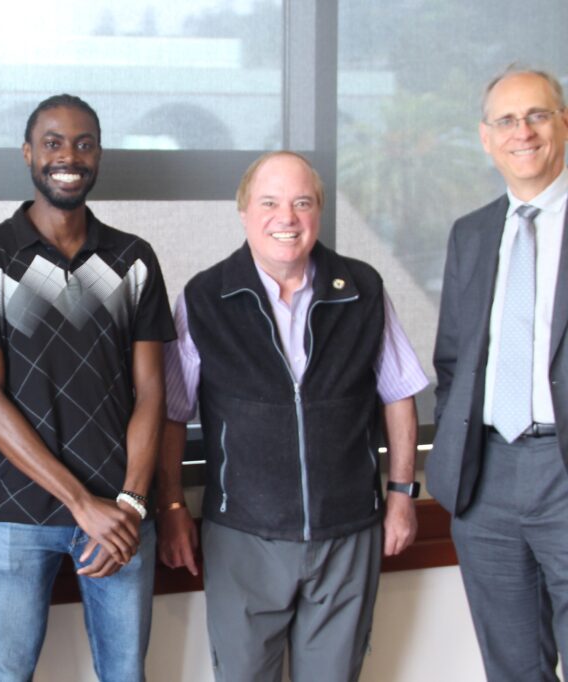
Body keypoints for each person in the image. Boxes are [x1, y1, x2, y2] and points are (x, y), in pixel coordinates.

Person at [158, 151, 427, 682]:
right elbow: (171, 415)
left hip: (347, 534)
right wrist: (170, 506)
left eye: (302, 203)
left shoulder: (364, 289)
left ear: (319, 213)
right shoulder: (204, 297)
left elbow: (400, 395)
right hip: (243, 537)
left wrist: (402, 495)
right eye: (271, 202)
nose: (287, 218)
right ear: (243, 213)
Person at [0, 94, 175, 682]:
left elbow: (152, 394)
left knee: (125, 674)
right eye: (52, 142)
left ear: (98, 156)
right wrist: (80, 504)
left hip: (122, 511)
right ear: (28, 154)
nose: (68, 156)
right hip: (20, 512)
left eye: (83, 143)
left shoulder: (134, 260)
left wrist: (128, 503)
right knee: (3, 675)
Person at [428, 67, 568, 681]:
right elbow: (454, 359)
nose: (523, 132)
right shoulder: (472, 233)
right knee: (512, 669)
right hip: (485, 478)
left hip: (562, 470)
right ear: (487, 138)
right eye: (506, 121)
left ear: (564, 123)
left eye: (537, 115)